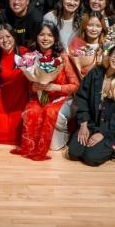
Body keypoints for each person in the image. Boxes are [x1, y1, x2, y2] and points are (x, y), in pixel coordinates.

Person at [12, 24, 79, 161]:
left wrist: (54, 87)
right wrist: (34, 88)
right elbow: (29, 84)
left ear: (55, 39)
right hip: (40, 97)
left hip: (60, 98)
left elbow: (75, 85)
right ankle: (29, 147)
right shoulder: (30, 57)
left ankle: (45, 147)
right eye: (42, 34)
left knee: (49, 111)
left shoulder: (62, 58)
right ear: (36, 37)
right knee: (32, 111)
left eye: (49, 35)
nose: (45, 38)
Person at [68, 41, 115, 167]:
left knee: (91, 158)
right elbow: (81, 98)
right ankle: (89, 138)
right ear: (110, 54)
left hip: (109, 130)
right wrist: (83, 124)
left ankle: (113, 148)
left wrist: (103, 133)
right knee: (74, 153)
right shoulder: (96, 72)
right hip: (90, 123)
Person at [0, 24, 30, 145]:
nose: (5, 40)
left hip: (20, 99)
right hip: (2, 100)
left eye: (8, 36)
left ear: (14, 36)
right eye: (0, 38)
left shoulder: (25, 53)